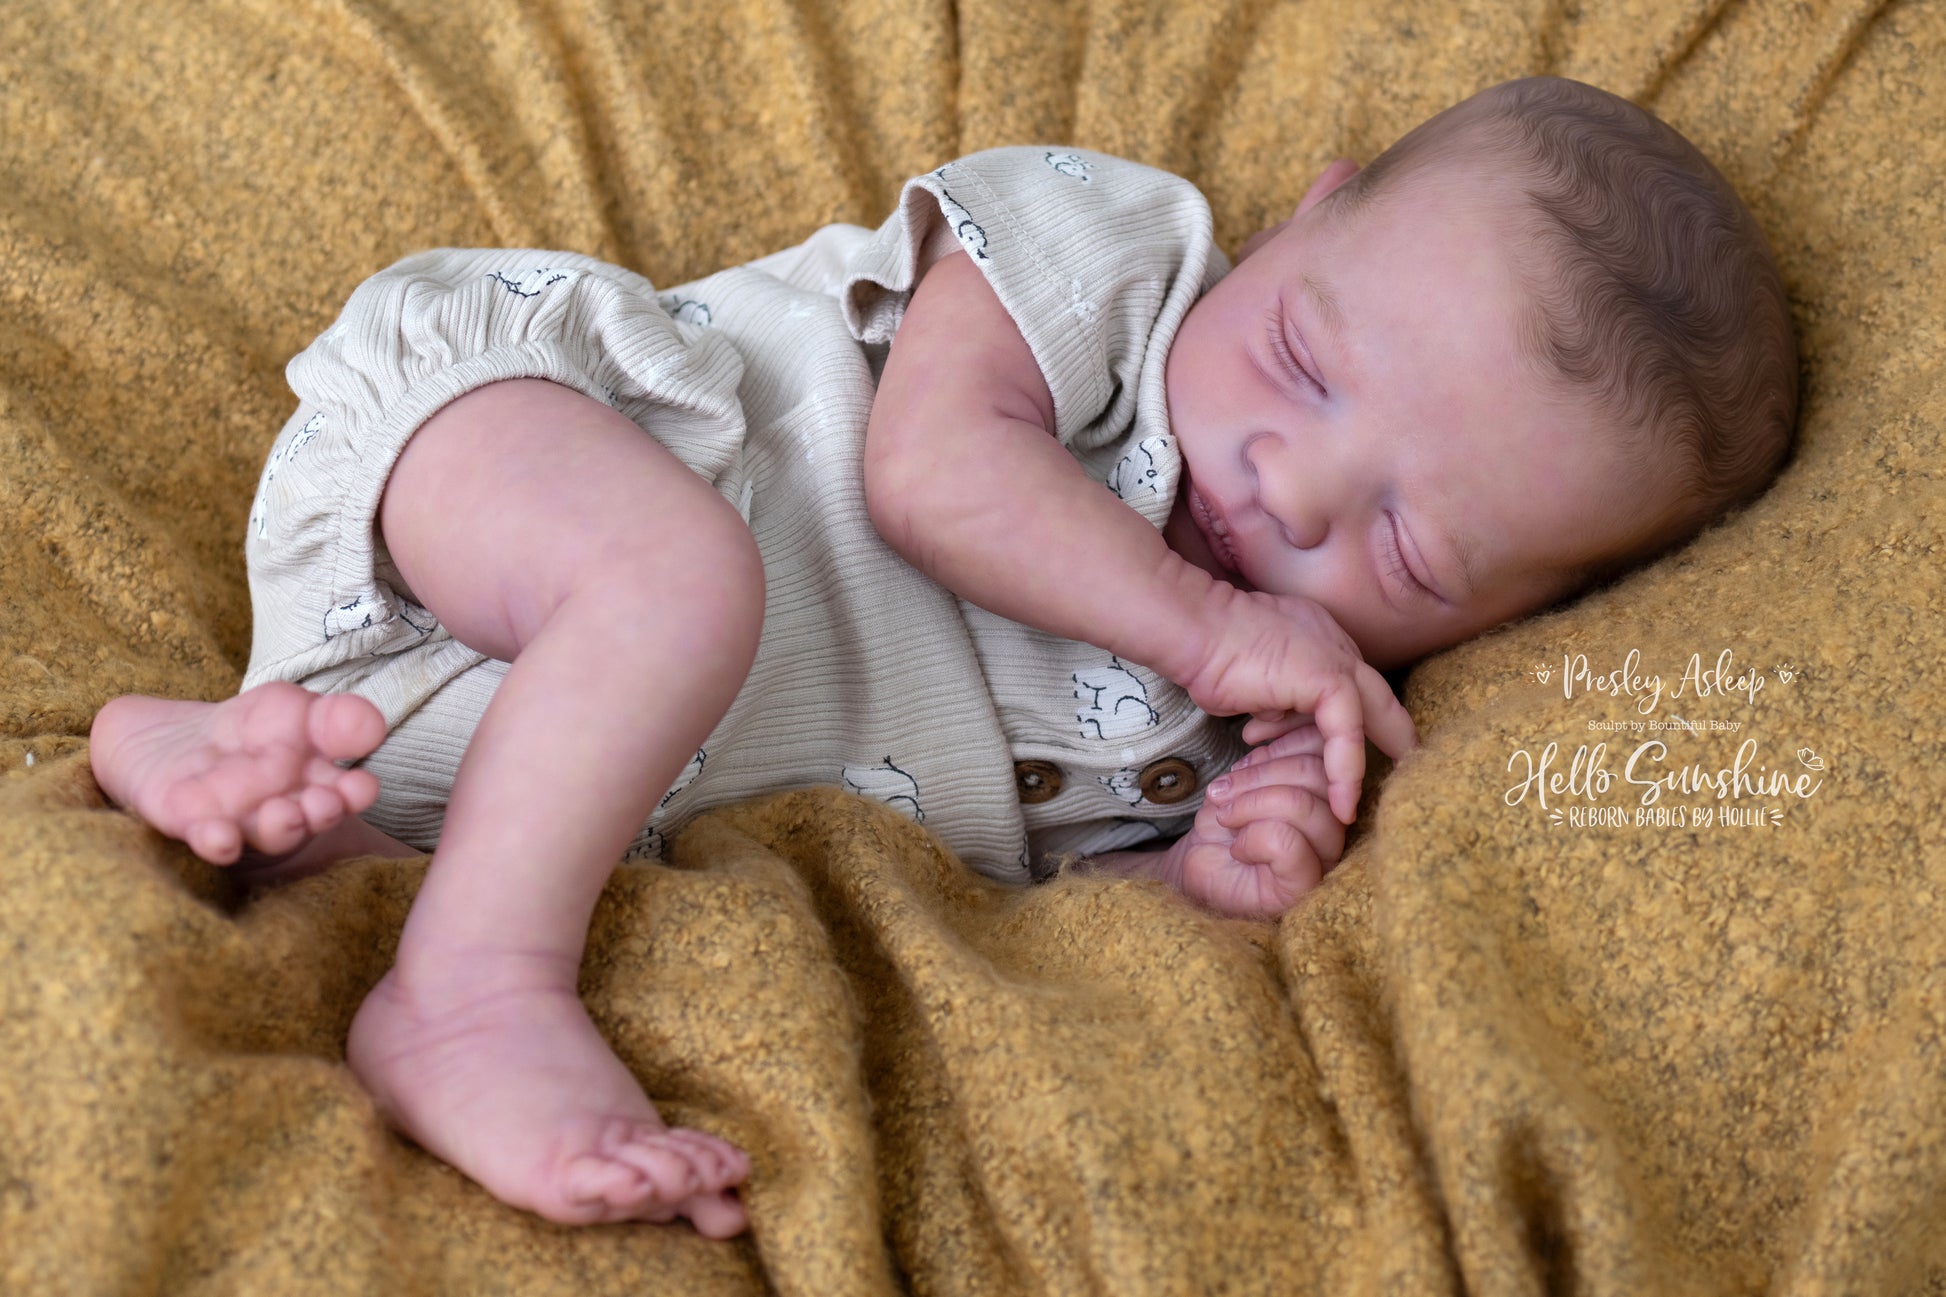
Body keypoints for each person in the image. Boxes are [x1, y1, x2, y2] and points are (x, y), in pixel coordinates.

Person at [86, 76, 1797, 1236]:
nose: (1290, 485)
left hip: (515, 753)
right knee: (674, 586)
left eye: (1409, 551)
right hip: (517, 454)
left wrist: (1196, 880)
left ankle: (216, 754)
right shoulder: (1118, 262)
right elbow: (928, 476)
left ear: (1510, 627)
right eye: (1300, 358)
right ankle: (465, 997)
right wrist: (1216, 622)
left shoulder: (1245, 724)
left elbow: (1005, 902)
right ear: (1305, 217)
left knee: (414, 823)